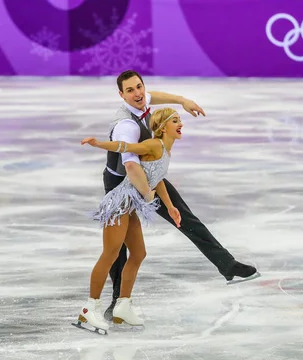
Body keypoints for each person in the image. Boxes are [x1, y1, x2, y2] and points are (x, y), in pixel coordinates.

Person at [103, 70, 260, 321]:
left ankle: (227, 266)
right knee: (119, 244)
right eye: (130, 90)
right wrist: (147, 194)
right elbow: (130, 165)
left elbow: (155, 96)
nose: (138, 93)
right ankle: (116, 301)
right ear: (121, 95)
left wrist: (182, 100)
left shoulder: (142, 101)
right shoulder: (126, 125)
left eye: (139, 87)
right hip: (122, 183)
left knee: (185, 217)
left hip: (149, 175)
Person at [75, 108, 183, 335]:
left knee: (138, 253)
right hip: (120, 203)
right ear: (163, 127)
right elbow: (125, 148)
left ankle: (122, 306)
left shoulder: (166, 151)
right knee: (111, 253)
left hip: (132, 206)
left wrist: (171, 206)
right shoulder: (154, 145)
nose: (180, 124)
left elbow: (158, 179)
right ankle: (89, 308)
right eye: (175, 120)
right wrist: (99, 144)